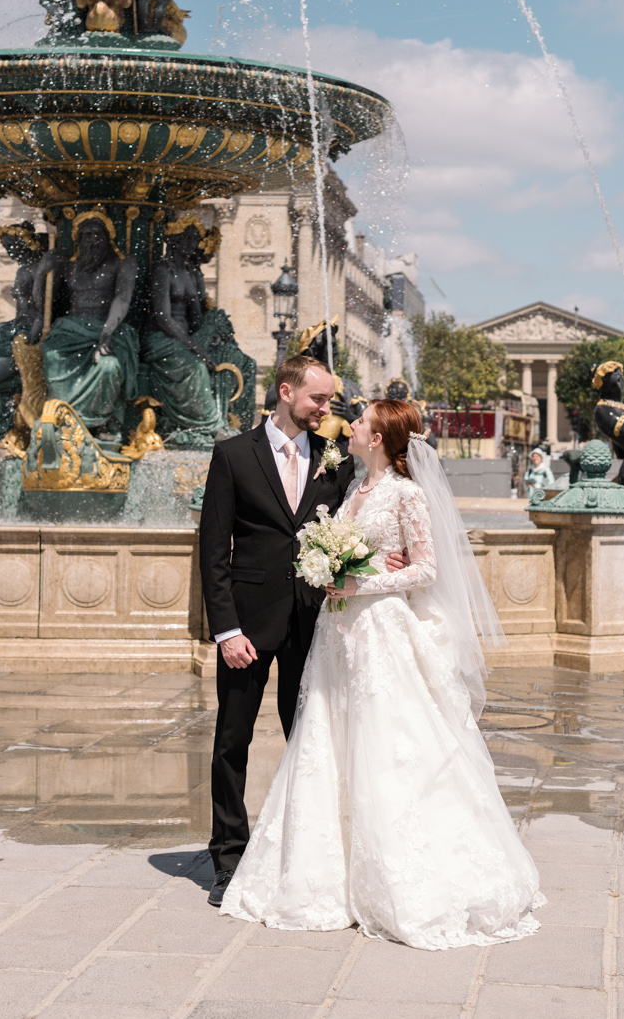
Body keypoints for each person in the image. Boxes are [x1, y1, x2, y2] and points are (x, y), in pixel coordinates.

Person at [219, 398, 544, 949]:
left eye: (362, 421)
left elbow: (427, 567)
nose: (351, 424)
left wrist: (358, 583)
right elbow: (346, 548)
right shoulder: (353, 487)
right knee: (329, 740)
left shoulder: (407, 493)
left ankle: (396, 875)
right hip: (338, 634)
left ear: (380, 437)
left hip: (379, 634)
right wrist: (326, 570)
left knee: (385, 743)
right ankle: (329, 873)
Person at [197, 355, 358, 910]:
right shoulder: (233, 455)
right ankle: (228, 858)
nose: (325, 408)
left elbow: (340, 541)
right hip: (247, 626)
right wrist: (226, 630)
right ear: (286, 391)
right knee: (232, 742)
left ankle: (303, 853)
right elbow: (214, 552)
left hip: (312, 626)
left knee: (307, 741)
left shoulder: (335, 464)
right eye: (318, 399)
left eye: (330, 401)